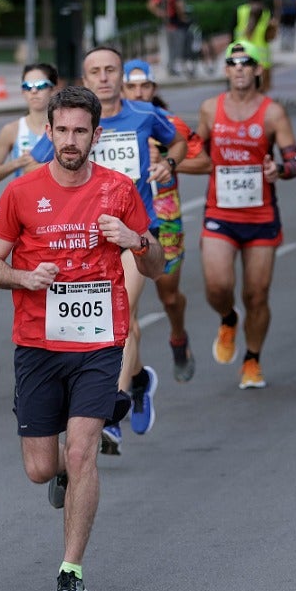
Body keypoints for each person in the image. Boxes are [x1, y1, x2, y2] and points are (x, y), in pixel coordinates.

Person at [0, 85, 166, 591]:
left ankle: (71, 572)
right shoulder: (22, 192)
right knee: (41, 468)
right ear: (49, 133)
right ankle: (62, 471)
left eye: (80, 131)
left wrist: (136, 241)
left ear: (96, 135)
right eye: (62, 130)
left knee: (83, 450)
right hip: (37, 342)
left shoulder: (119, 190)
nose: (70, 140)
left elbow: (158, 265)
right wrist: (24, 276)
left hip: (99, 342)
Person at [28, 47, 183, 450]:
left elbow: (178, 142)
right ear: (84, 76)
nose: (103, 77)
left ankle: (108, 410)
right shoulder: (73, 123)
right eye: (94, 71)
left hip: (130, 234)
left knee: (123, 313)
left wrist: (169, 163)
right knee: (101, 324)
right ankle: (135, 382)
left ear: (121, 74)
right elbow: (36, 165)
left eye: (110, 69)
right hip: (83, 237)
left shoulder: (145, 115)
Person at [182, 41, 296, 389]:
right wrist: (170, 161)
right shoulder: (209, 109)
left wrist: (279, 168)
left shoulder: (272, 112)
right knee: (218, 286)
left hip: (261, 215)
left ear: (257, 69)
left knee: (257, 294)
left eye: (245, 63)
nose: (239, 68)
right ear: (226, 71)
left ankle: (252, 358)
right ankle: (227, 317)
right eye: (232, 63)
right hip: (220, 211)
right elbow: (195, 150)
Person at [125, 58, 203, 384]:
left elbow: (207, 162)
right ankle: (127, 383)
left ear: (154, 88)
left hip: (165, 216)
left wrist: (169, 162)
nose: (139, 92)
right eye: (132, 86)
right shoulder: (116, 124)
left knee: (168, 295)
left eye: (145, 86)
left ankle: (178, 335)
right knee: (124, 307)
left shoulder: (170, 124)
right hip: (128, 219)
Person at [0, 63, 57, 186]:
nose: (34, 91)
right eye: (27, 86)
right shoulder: (12, 130)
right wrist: (16, 163)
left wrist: (40, 167)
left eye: (41, 85)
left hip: (60, 203)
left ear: (53, 89)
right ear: (23, 92)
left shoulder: (66, 128)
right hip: (24, 203)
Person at [147, 0, 191, 76]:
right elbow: (180, 7)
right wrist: (183, 17)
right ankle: (176, 68)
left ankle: (171, 68)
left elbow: (151, 4)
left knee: (171, 48)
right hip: (177, 25)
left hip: (169, 25)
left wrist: (161, 14)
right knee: (178, 47)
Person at [234, 0, 278, 91]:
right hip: (262, 57)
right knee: (260, 89)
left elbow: (231, 31)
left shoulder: (240, 10)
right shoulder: (266, 12)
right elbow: (271, 35)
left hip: (242, 53)